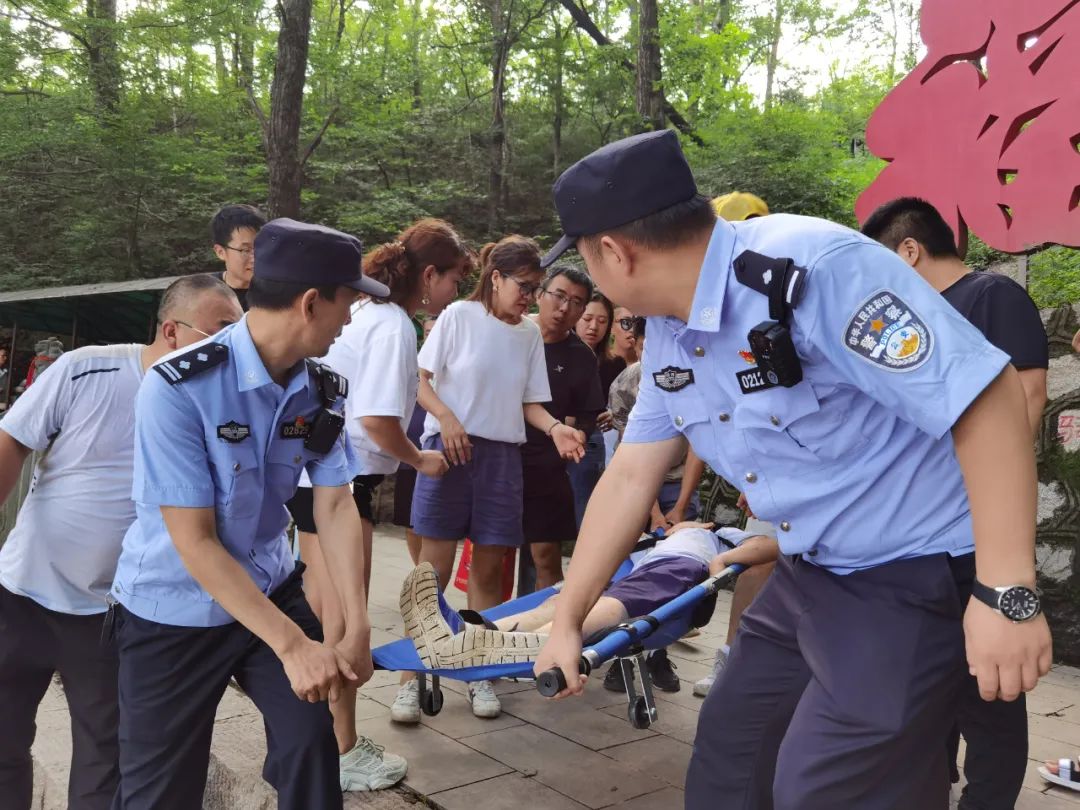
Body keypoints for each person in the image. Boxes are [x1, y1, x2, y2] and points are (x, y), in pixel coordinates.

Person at [532, 130, 1052, 810]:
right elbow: (632, 473)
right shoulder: (668, 327)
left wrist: (1007, 594)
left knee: (830, 786)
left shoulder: (814, 271)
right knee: (730, 759)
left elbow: (988, 398)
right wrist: (570, 617)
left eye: (586, 261)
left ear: (613, 251)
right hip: (812, 570)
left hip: (909, 576)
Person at [108, 219, 390, 810]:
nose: (349, 320)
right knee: (160, 791)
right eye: (348, 303)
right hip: (174, 608)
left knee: (312, 742)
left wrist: (356, 625)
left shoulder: (321, 389)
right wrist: (294, 647)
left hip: (269, 584)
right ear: (312, 303)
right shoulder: (179, 387)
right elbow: (196, 542)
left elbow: (335, 501)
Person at [0, 275, 242, 810]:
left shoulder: (216, 403)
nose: (233, 346)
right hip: (22, 592)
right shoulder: (89, 368)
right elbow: (12, 440)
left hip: (112, 613)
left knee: (104, 752)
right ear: (173, 331)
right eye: (223, 331)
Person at [862, 196, 1049, 810]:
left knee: (989, 692)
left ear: (908, 250)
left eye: (880, 262)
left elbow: (1025, 401)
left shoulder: (990, 298)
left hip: (975, 535)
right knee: (928, 682)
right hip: (913, 536)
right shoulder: (909, 321)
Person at [283, 219, 470, 786]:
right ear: (429, 275)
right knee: (340, 626)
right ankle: (340, 755)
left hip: (311, 478)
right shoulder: (393, 326)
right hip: (341, 485)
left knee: (324, 619)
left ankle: (320, 744)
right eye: (457, 279)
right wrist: (421, 460)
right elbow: (379, 423)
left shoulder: (366, 314)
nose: (457, 292)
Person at [394, 235, 585, 723]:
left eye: (536, 287)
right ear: (495, 277)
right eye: (524, 286)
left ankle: (479, 677)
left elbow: (530, 403)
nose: (530, 297)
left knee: (488, 572)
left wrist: (557, 427)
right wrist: (448, 418)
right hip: (449, 450)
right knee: (430, 576)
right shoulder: (458, 316)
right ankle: (409, 679)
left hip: (503, 459)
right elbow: (420, 380)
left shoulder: (526, 335)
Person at [399, 522, 779, 670]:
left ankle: (518, 643)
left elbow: (769, 545)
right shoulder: (659, 538)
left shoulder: (713, 533)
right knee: (560, 601)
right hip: (642, 569)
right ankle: (468, 633)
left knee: (608, 604)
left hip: (679, 570)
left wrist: (723, 560)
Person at [602, 318, 706, 693]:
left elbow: (699, 446)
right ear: (640, 343)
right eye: (647, 344)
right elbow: (628, 451)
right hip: (638, 487)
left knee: (674, 576)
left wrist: (679, 507)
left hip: (680, 488)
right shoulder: (628, 382)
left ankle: (659, 656)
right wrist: (652, 512)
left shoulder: (696, 372)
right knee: (631, 573)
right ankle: (621, 658)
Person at [518, 264, 604, 594]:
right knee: (492, 551)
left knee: (545, 554)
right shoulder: (512, 333)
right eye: (559, 296)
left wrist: (576, 433)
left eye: (577, 302)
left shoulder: (580, 357)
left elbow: (587, 415)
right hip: (498, 452)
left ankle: (544, 628)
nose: (565, 307)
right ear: (540, 294)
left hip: (545, 463)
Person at [393, 315, 440, 566]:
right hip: (411, 451)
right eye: (429, 331)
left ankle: (429, 576)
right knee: (410, 521)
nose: (432, 336)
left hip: (438, 448)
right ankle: (418, 570)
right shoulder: (411, 363)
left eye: (437, 331)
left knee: (433, 523)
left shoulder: (452, 364)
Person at [569, 292, 616, 527]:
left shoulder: (612, 363)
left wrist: (613, 413)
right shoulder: (555, 352)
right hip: (551, 436)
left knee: (585, 511)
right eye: (587, 318)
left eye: (602, 321)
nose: (593, 326)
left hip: (592, 442)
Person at [211, 203, 266, 311]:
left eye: (261, 247)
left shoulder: (277, 293)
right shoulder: (207, 292)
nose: (256, 258)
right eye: (246, 250)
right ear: (220, 252)